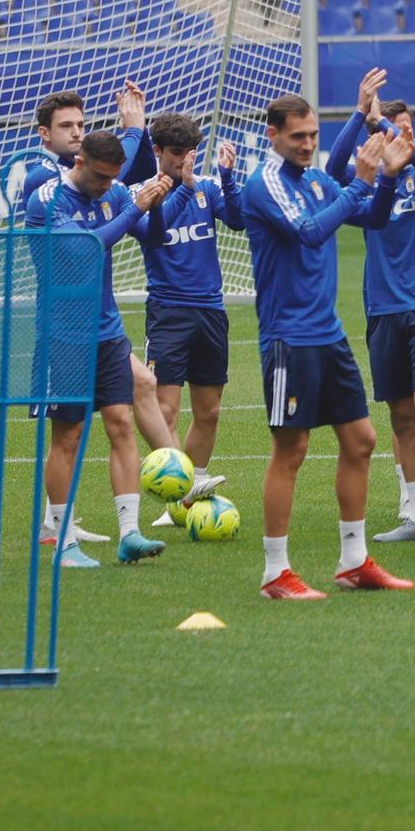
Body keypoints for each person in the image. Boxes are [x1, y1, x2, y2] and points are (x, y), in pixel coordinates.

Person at [244, 94, 408, 600]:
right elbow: (312, 233)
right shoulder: (264, 184)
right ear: (273, 135)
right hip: (289, 339)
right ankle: (275, 572)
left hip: (329, 335)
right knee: (291, 449)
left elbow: (374, 219)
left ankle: (353, 561)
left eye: (313, 135)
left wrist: (388, 178)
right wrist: (360, 180)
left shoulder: (317, 180)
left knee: (361, 440)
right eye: (298, 137)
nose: (308, 145)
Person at [26, 86, 184, 542]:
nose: (105, 187)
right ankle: (57, 531)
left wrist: (151, 202)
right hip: (63, 335)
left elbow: (152, 234)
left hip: (108, 330)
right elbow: (88, 249)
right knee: (69, 436)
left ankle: (131, 533)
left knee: (120, 423)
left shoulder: (113, 189)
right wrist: (137, 204)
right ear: (79, 164)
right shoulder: (47, 198)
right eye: (99, 178)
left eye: (112, 179)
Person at [318, 71, 415, 545]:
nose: (397, 140)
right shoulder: (370, 185)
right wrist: (362, 116)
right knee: (402, 415)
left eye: (404, 131)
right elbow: (333, 167)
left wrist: (387, 126)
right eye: (387, 132)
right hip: (382, 308)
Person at [135, 113, 238, 528]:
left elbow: (240, 219)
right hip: (168, 313)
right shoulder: (139, 193)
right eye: (176, 153)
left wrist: (227, 178)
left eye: (191, 152)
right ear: (157, 152)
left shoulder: (208, 188)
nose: (184, 161)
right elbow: (152, 234)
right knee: (166, 410)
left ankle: (190, 493)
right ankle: (172, 496)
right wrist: (181, 190)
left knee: (209, 411)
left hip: (211, 311)